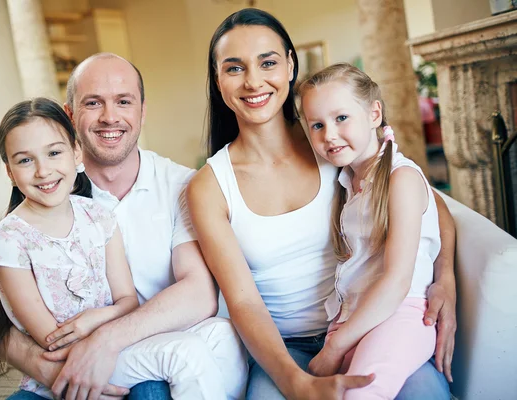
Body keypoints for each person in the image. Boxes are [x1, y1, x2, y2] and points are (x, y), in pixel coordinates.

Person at [186, 8, 456, 400]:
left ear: (291, 65)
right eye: (234, 68)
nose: (253, 80)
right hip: (285, 350)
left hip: (373, 328)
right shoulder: (210, 186)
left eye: (268, 62)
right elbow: (243, 301)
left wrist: (444, 279)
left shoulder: (333, 144)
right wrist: (295, 380)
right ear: (217, 79)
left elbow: (429, 204)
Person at [0, 54, 248, 400]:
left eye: (123, 101)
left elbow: (199, 293)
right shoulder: (50, 196)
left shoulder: (180, 185)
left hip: (149, 342)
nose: (110, 117)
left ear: (142, 111)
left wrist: (108, 339)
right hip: (80, 357)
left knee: (221, 337)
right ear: (71, 114)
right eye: (93, 103)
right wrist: (62, 373)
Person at [297, 63, 439, 399]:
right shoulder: (347, 182)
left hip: (400, 314)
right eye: (317, 125)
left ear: (374, 113)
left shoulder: (400, 179)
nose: (328, 134)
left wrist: (334, 348)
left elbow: (396, 282)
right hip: (357, 319)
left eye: (341, 118)